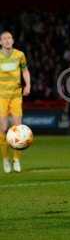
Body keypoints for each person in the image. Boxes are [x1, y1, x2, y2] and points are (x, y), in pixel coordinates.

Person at [0, 31, 31, 173]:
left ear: (12, 41)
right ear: (0, 42)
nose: (7, 40)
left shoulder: (20, 55)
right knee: (3, 128)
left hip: (16, 96)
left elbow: (25, 71)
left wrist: (28, 85)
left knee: (18, 129)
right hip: (1, 96)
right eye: (4, 39)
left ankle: (16, 159)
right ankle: (5, 159)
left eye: (9, 38)